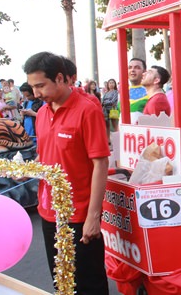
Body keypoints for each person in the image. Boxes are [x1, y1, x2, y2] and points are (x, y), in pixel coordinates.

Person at [24, 52, 110, 294]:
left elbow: (100, 164)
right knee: (61, 279)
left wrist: (93, 216)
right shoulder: (41, 113)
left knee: (88, 281)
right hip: (49, 212)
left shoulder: (87, 110)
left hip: (79, 215)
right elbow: (47, 156)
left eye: (41, 85)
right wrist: (27, 170)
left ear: (60, 78)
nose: (36, 93)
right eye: (33, 87)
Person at [127, 57, 148, 124]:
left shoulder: (152, 91)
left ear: (144, 71)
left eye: (137, 67)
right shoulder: (123, 92)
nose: (132, 70)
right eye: (130, 67)